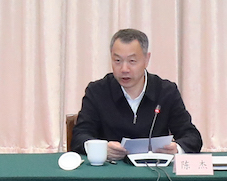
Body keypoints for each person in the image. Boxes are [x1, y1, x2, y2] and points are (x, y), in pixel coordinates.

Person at [70, 28, 203, 160]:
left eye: (132, 61)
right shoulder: (97, 91)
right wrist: (102, 149)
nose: (124, 69)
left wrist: (176, 149)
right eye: (117, 61)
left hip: (155, 170)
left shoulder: (166, 91)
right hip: (111, 169)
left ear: (146, 59)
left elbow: (192, 137)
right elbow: (79, 136)